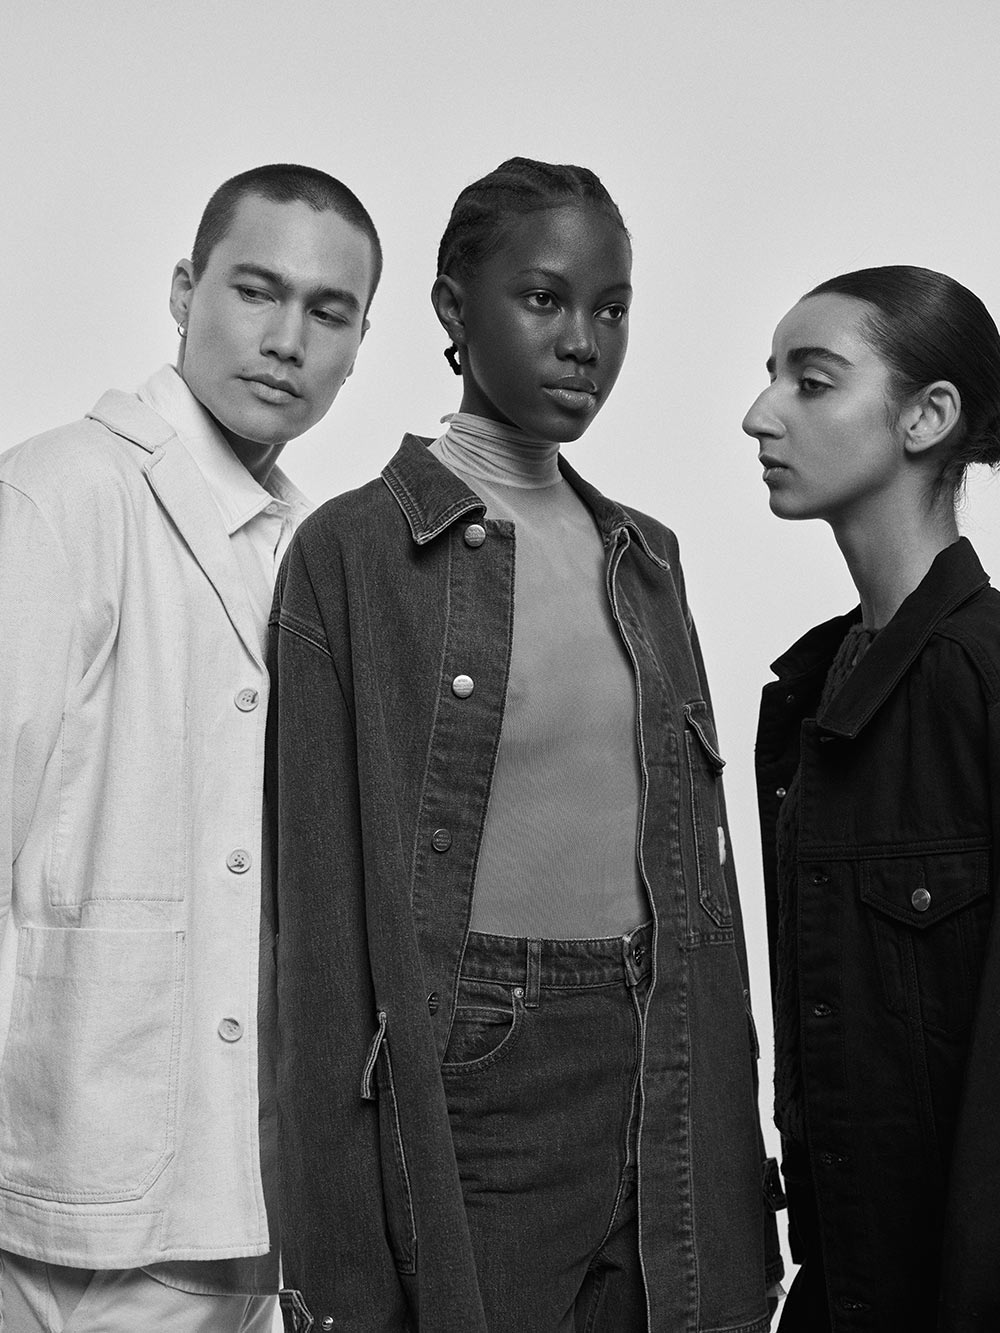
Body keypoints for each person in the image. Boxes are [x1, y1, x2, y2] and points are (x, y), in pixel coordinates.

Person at [270, 156, 782, 1333]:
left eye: (611, 309)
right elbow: (318, 931)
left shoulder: (646, 559)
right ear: (454, 310)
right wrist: (335, 1263)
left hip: (660, 1047)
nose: (582, 342)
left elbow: (701, 893)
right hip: (481, 1061)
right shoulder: (354, 553)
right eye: (543, 299)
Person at [0, 162, 380, 1331]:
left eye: (327, 312)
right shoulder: (65, 491)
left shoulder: (298, 543)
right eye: (255, 291)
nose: (286, 341)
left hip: (243, 1198)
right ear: (183, 291)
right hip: (77, 1184)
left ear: (360, 344)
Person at [743, 265, 1000, 1331]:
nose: (760, 415)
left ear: (925, 416)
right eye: (771, 377)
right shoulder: (812, 690)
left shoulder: (981, 679)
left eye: (811, 383)